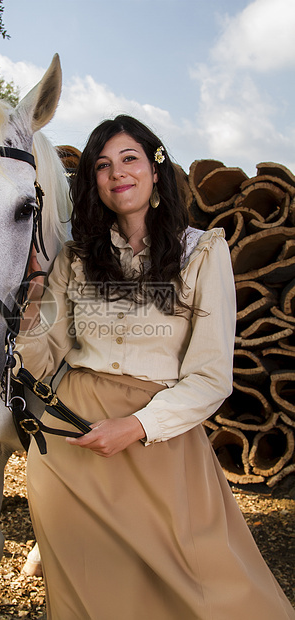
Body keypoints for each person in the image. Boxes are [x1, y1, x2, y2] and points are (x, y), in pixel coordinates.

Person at [16, 115, 295, 620]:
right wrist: (31, 311)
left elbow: (211, 376)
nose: (116, 173)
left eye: (129, 159)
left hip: (160, 443)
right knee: (90, 595)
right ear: (93, 183)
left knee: (211, 588)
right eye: (102, 165)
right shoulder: (76, 258)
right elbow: (42, 359)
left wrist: (136, 425)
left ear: (154, 168)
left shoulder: (203, 252)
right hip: (71, 443)